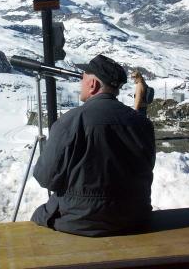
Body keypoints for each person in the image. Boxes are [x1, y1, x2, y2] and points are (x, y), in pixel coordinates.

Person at [31, 54, 155, 237]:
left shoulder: (71, 121)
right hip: (135, 218)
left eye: (83, 80)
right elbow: (147, 167)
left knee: (38, 218)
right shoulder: (142, 123)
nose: (80, 85)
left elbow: (45, 178)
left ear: (93, 84)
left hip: (79, 222)